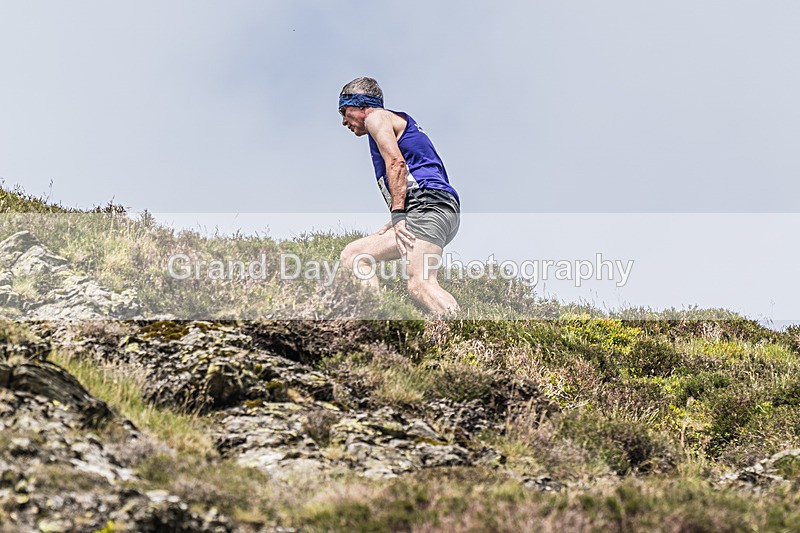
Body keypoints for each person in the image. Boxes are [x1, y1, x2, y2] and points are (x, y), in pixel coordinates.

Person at [337, 77, 461, 317]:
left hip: (428, 204)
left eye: (344, 111)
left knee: (421, 285)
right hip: (432, 205)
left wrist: (398, 214)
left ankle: (469, 337)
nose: (343, 121)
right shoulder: (394, 122)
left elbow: (396, 162)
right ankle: (376, 322)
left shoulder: (377, 117)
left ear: (362, 106)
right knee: (354, 256)